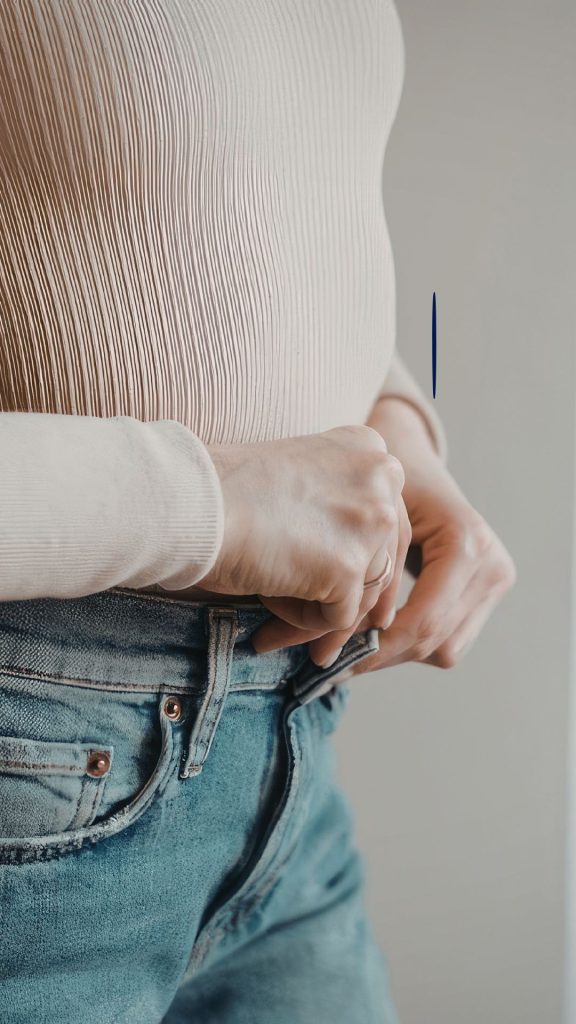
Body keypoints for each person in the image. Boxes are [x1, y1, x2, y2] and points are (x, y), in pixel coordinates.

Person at [0, 2, 516, 1022]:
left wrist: (394, 437)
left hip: (287, 744)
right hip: (38, 743)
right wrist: (211, 502)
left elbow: (261, 219)